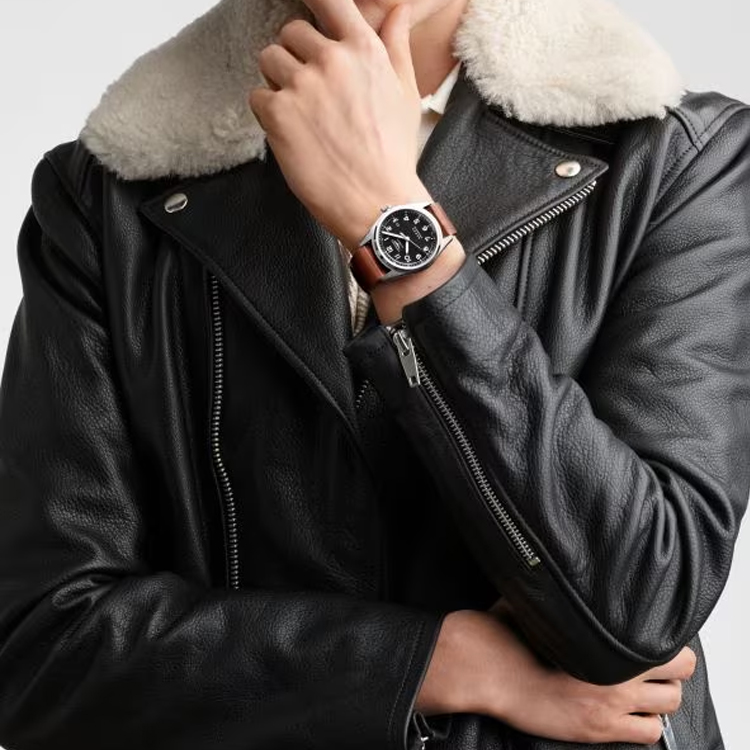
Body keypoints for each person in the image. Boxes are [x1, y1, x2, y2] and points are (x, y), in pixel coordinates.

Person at [0, 0, 747, 747]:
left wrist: (393, 221)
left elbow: (639, 604)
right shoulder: (108, 194)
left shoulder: (677, 157)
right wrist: (430, 663)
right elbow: (42, 652)